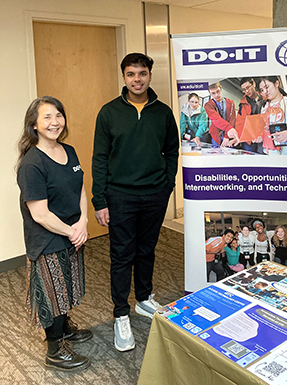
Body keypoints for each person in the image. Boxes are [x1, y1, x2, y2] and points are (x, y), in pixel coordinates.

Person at [92, 53, 179, 351]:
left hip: (155, 194)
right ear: (124, 77)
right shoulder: (108, 113)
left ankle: (143, 298)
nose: (137, 79)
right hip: (120, 196)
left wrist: (167, 185)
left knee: (147, 250)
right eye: (131, 74)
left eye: (142, 73)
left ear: (150, 76)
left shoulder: (163, 112)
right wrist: (99, 200)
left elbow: (172, 152)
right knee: (121, 255)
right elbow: (100, 158)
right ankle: (120, 314)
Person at [17, 96, 92, 371]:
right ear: (34, 125)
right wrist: (72, 231)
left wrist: (83, 221)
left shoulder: (69, 151)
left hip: (72, 231)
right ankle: (54, 350)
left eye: (58, 115)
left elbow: (80, 188)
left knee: (68, 287)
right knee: (52, 293)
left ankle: (65, 328)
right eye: (47, 117)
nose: (54, 122)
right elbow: (40, 214)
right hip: (48, 238)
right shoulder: (31, 163)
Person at [258, 76, 287, 155]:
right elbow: (261, 127)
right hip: (267, 152)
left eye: (266, 87)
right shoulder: (262, 106)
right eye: (262, 90)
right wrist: (259, 135)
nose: (265, 92)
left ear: (276, 83)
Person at [204, 82, 238, 147]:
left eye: (218, 91)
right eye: (213, 93)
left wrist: (227, 136)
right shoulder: (208, 105)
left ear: (220, 88)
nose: (216, 95)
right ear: (209, 92)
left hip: (229, 135)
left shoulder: (230, 103)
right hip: (216, 136)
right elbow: (216, 119)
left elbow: (232, 120)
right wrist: (229, 128)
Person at [235, 77, 262, 152]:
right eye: (244, 89)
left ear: (254, 84)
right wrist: (239, 137)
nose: (247, 91)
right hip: (249, 140)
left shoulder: (264, 98)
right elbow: (240, 122)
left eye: (248, 87)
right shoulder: (243, 104)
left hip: (263, 137)